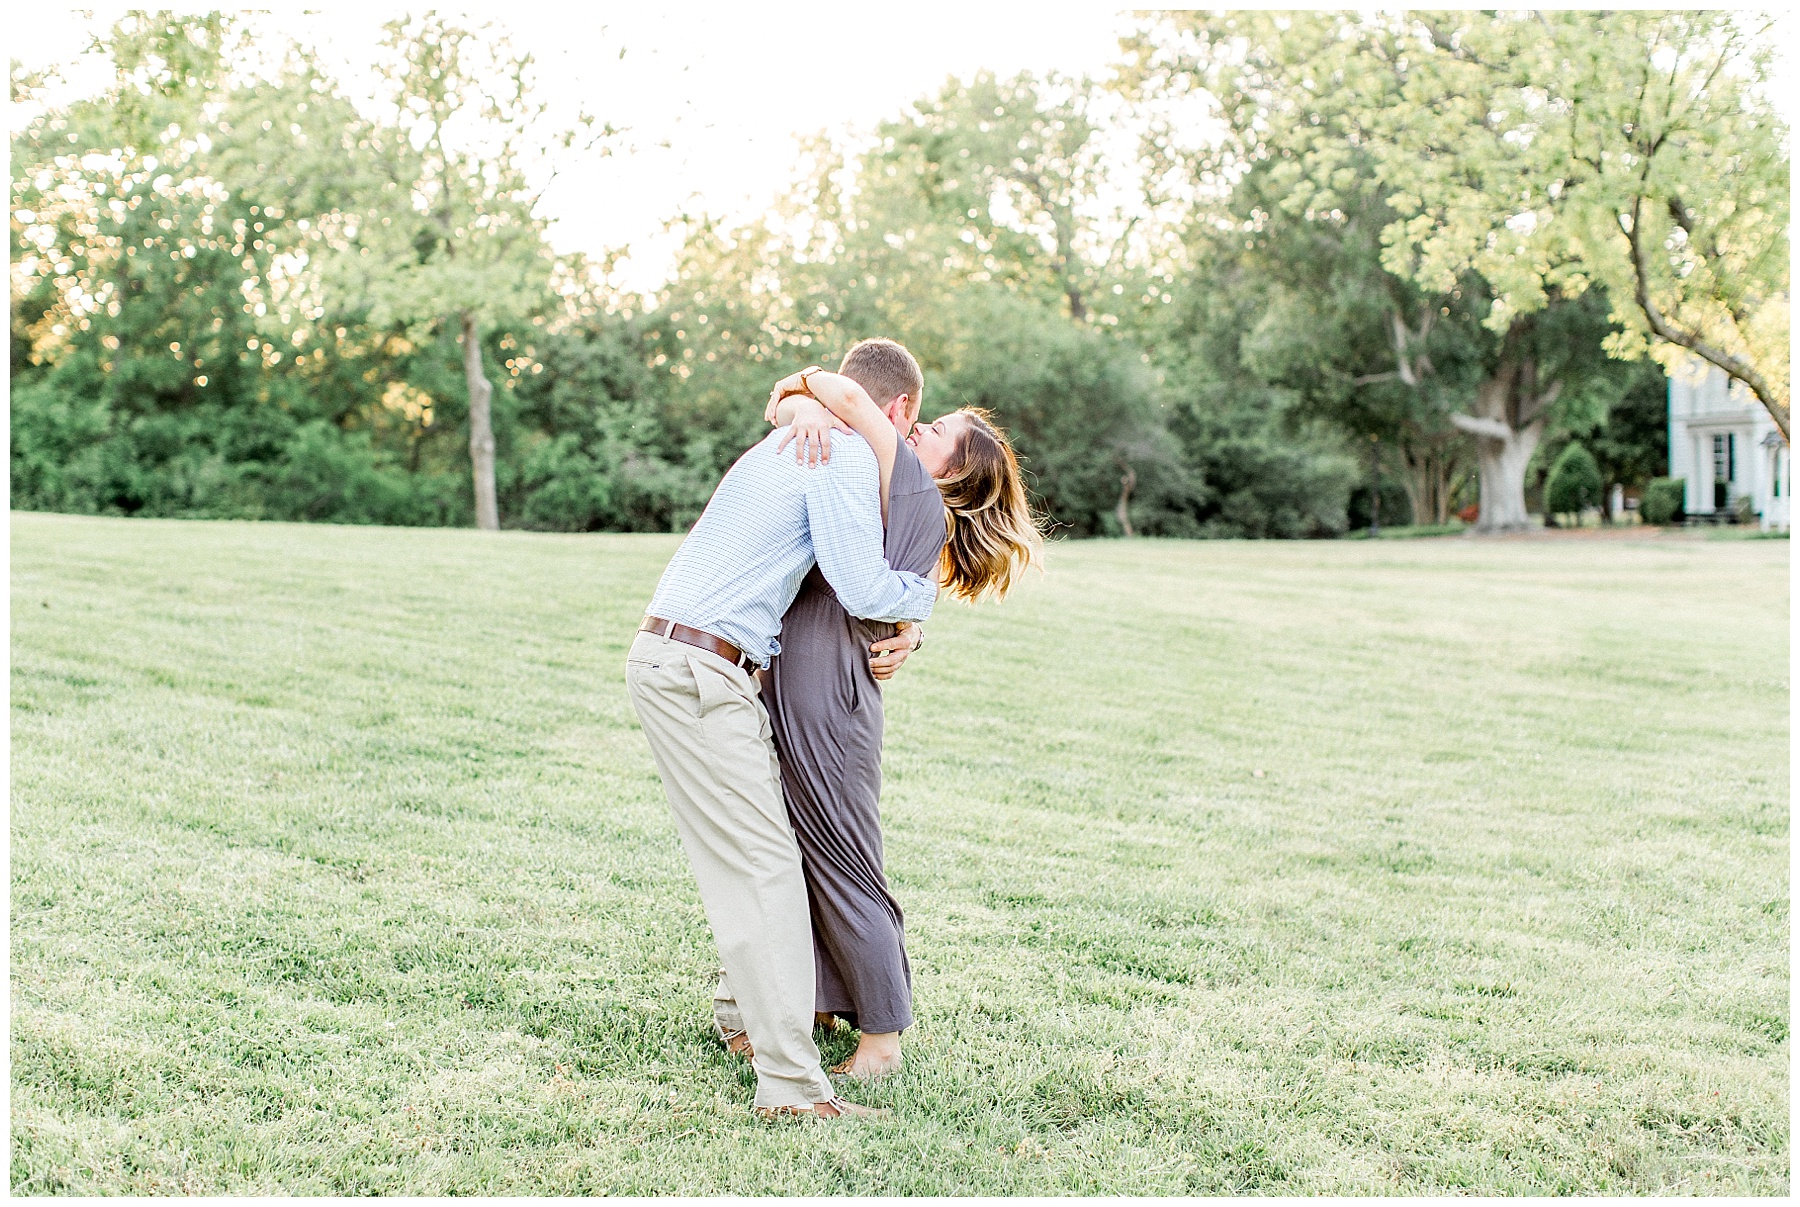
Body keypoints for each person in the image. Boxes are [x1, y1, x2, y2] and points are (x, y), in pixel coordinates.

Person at [717, 340, 1042, 1081]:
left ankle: (883, 1037)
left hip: (830, 698)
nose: (914, 432)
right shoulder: (875, 482)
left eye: (931, 434)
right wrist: (796, 404)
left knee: (846, 861)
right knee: (798, 851)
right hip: (801, 684)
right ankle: (814, 1004)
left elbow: (858, 405)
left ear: (950, 471)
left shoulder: (910, 488)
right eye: (919, 423)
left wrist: (796, 383)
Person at [623, 366, 936, 1121]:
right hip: (701, 670)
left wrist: (793, 396)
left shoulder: (789, 434)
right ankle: (793, 1091)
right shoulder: (845, 452)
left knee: (765, 858)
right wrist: (920, 603)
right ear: (901, 408)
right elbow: (861, 586)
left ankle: (744, 1023)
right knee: (764, 870)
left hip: (697, 662)